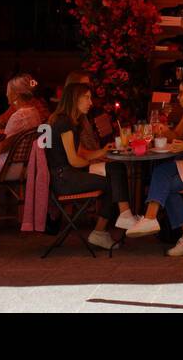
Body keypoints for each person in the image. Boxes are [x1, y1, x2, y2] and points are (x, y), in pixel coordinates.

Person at [119, 78, 183, 255]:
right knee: (161, 171)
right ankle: (151, 218)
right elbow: (177, 134)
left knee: (170, 186)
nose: (178, 96)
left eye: (181, 92)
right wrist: (164, 130)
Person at [43, 81, 130, 249]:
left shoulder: (70, 121)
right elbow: (74, 160)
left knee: (115, 168)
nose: (91, 102)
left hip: (67, 174)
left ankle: (122, 216)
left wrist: (102, 152)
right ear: (75, 99)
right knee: (110, 183)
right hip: (64, 179)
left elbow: (81, 153)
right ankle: (100, 232)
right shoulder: (64, 123)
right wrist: (93, 161)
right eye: (87, 98)